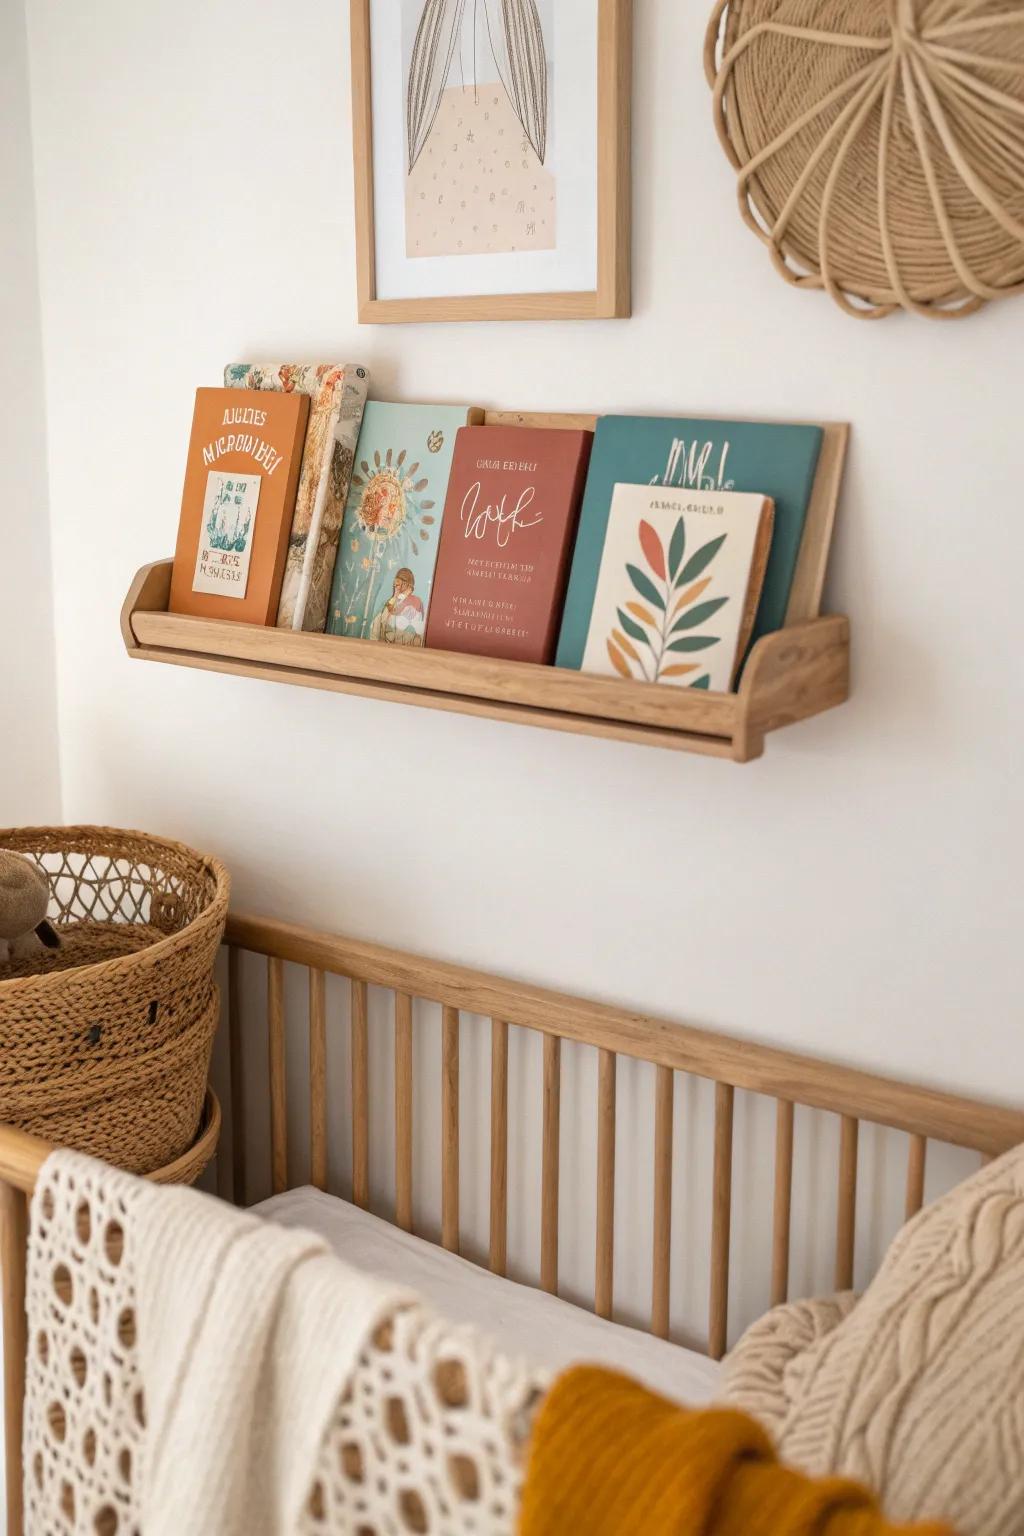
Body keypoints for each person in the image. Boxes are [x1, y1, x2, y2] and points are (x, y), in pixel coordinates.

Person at [369, 568, 425, 646]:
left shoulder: (415, 602)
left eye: (402, 583)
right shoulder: (388, 603)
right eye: (396, 583)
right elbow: (376, 628)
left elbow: (416, 632)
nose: (397, 586)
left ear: (409, 586)